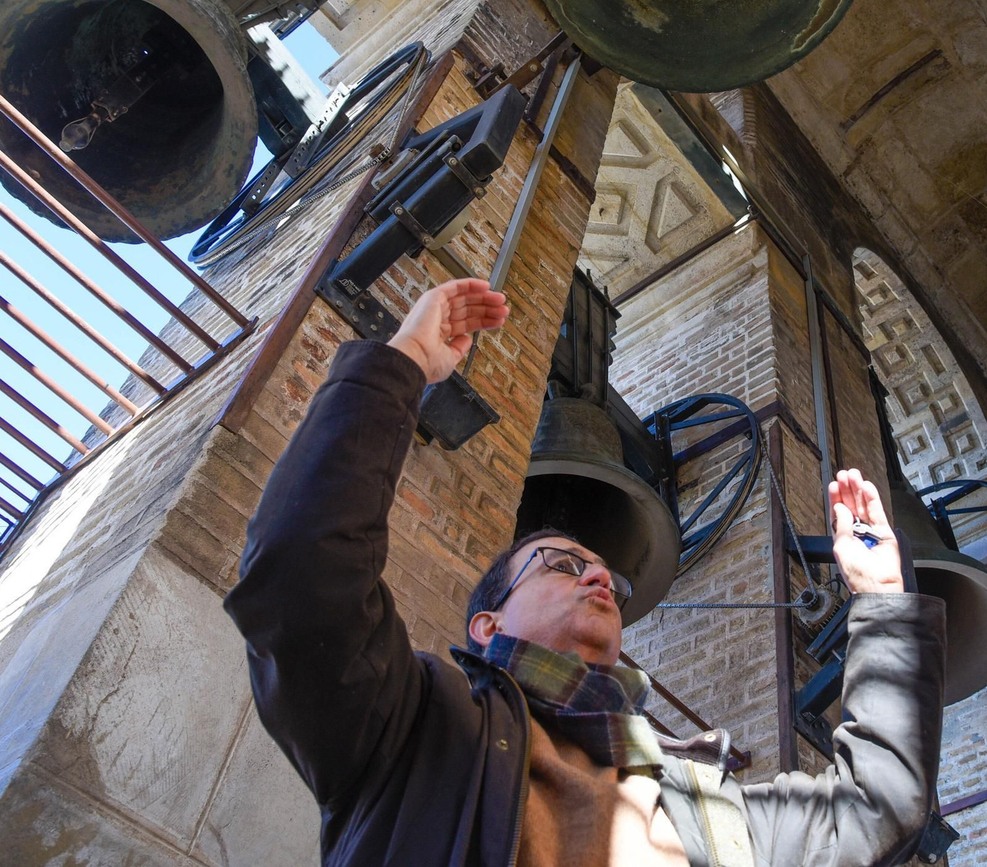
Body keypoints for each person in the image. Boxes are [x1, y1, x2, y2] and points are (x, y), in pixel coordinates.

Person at [225, 277, 947, 866]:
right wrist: (404, 362)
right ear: (488, 623)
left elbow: (878, 809)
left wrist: (881, 604)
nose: (599, 578)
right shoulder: (417, 727)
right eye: (563, 564)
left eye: (606, 573)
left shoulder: (708, 807)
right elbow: (299, 579)